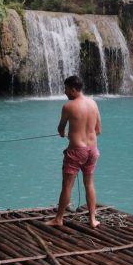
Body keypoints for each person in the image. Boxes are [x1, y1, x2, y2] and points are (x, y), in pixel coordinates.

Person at [47, 74, 101, 228]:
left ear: (72, 89)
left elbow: (61, 128)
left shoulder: (68, 107)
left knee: (67, 185)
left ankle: (58, 219)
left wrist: (66, 134)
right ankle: (92, 219)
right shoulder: (93, 104)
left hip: (77, 151)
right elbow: (98, 130)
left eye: (66, 89)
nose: (64, 92)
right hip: (92, 150)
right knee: (89, 184)